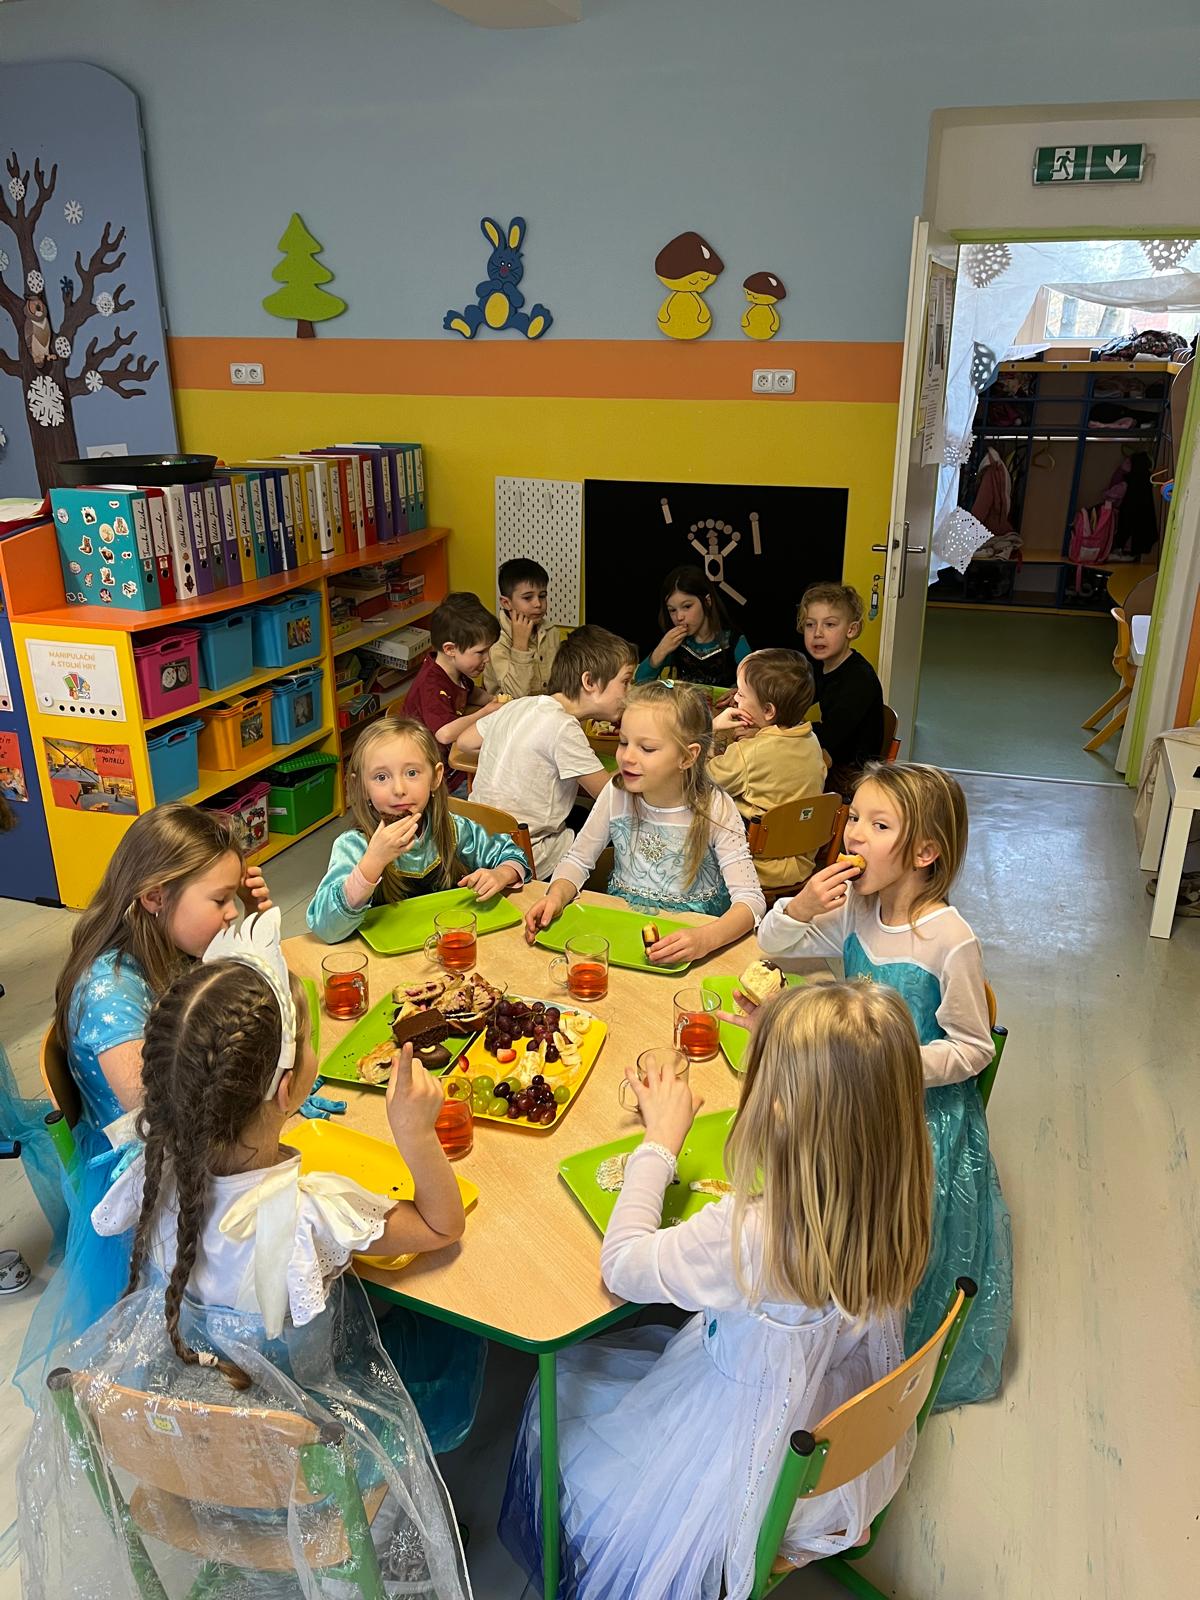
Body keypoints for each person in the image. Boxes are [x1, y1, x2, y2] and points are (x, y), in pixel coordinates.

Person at [19, 911, 472, 1599]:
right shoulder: (311, 1214)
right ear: (290, 1089)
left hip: (192, 1462)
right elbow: (443, 1226)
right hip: (310, 1476)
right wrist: (415, 1134)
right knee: (450, 1336)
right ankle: (392, 1535)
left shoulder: (146, 1179)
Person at [499, 982, 934, 1599]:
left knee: (560, 1391)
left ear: (777, 1110)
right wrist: (784, 1044)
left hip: (740, 1462)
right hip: (824, 1425)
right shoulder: (896, 1192)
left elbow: (621, 1265)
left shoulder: (751, 1235)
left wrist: (660, 1140)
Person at [756, 762, 1011, 1408]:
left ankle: (890, 1362)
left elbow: (974, 1047)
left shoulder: (949, 941)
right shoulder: (854, 909)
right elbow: (774, 948)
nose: (854, 836)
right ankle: (832, 1327)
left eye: (879, 825)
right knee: (830, 1216)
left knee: (895, 1241)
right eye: (854, 820)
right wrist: (798, 908)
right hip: (850, 1101)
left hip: (917, 1123)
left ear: (925, 852)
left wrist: (889, 1062)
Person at [13, 804, 271, 1405]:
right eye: (220, 899)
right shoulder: (110, 994)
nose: (231, 911)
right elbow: (167, 1116)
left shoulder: (169, 944)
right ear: (155, 897)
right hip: (148, 1181)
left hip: (184, 1140)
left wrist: (248, 936)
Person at [525, 680, 765, 964]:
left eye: (647, 749)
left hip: (695, 944)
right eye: (623, 742)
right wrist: (557, 894)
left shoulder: (715, 806)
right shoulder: (616, 793)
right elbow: (578, 860)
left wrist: (705, 939)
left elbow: (751, 900)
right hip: (624, 935)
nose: (627, 757)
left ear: (687, 756)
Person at [308, 716, 529, 943]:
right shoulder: (354, 845)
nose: (399, 789)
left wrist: (502, 873)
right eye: (381, 777)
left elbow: (512, 855)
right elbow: (326, 928)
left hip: (451, 948)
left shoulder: (453, 829)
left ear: (435, 777)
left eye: (412, 773)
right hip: (388, 958)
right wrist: (372, 862)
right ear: (361, 786)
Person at [461, 624, 634, 878]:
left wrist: (517, 755)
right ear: (589, 682)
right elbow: (609, 795)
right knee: (614, 826)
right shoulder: (563, 726)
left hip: (478, 845)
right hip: (527, 856)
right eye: (626, 682)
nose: (629, 693)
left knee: (579, 812)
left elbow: (465, 741)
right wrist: (638, 753)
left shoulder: (520, 704)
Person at [709, 648, 826, 889]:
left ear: (768, 711)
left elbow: (702, 781)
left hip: (754, 865)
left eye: (741, 693)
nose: (735, 699)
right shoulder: (811, 740)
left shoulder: (748, 753)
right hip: (801, 861)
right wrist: (759, 734)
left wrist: (711, 729)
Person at [404, 591, 503, 789]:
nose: (487, 659)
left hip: (452, 759)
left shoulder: (455, 671)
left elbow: (471, 693)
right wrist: (486, 712)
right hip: (436, 776)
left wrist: (495, 700)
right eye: (480, 652)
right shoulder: (432, 685)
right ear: (450, 649)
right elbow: (444, 734)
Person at [796, 582, 884, 799]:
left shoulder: (859, 679)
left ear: (851, 630)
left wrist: (784, 729)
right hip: (832, 757)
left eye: (829, 624)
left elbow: (829, 736)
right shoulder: (822, 666)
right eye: (810, 624)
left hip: (853, 776)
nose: (817, 633)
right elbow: (795, 698)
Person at [635, 565, 751, 689]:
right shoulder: (675, 643)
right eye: (672, 610)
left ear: (707, 602)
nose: (679, 617)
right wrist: (660, 650)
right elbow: (640, 681)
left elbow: (754, 684)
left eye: (687, 606)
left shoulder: (734, 641)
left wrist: (738, 691)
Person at [483, 556, 561, 699]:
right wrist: (520, 645)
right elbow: (515, 695)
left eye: (542, 596)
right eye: (527, 598)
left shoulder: (552, 632)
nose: (538, 604)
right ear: (506, 603)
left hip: (546, 707)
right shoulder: (495, 640)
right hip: (510, 709)